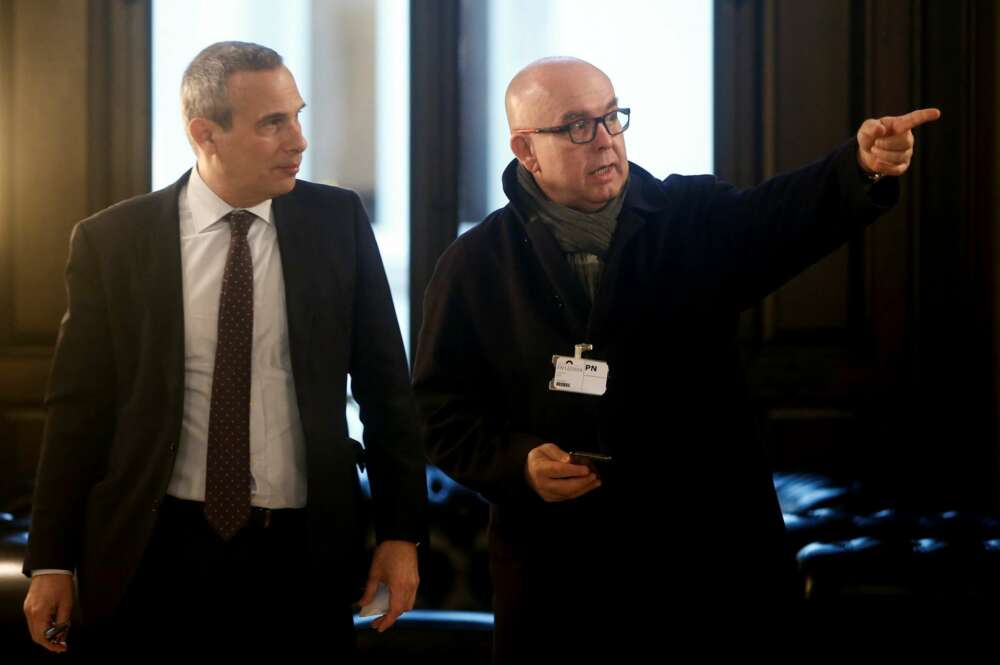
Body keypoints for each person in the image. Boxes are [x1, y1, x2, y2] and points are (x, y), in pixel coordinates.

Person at [412, 56, 939, 659]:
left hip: (706, 562)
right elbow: (439, 412)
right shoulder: (475, 264)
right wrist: (518, 465)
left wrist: (863, 167)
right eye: (578, 126)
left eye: (613, 118)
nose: (606, 141)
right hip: (560, 577)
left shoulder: (690, 218)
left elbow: (787, 215)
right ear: (526, 150)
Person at [22, 41, 426, 659]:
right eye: (273, 123)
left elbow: (386, 389)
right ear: (204, 133)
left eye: (298, 115)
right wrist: (50, 559)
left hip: (302, 549)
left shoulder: (337, 221)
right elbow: (77, 411)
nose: (299, 140)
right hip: (154, 547)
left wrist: (401, 534)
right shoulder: (114, 242)